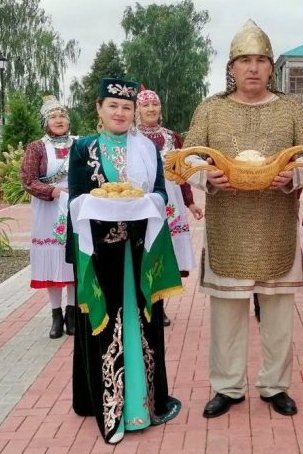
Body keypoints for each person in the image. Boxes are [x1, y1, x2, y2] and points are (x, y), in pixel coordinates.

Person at [182, 19, 303, 419]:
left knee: (278, 316)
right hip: (228, 227)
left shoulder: (290, 109)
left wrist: (294, 175)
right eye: (244, 60)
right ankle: (227, 386)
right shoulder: (211, 108)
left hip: (276, 226)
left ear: (271, 67)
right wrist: (206, 176)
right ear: (232, 67)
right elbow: (187, 157)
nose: (253, 68)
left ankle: (275, 386)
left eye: (260, 60)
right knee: (226, 315)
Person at [67, 78, 181, 443]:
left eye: (126, 107)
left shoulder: (147, 148)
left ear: (134, 112)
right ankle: (111, 408)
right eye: (112, 106)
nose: (120, 113)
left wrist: (147, 203)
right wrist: (100, 205)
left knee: (142, 322)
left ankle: (145, 403)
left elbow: (160, 192)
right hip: (102, 253)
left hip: (140, 251)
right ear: (99, 109)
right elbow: (75, 198)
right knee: (105, 324)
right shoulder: (82, 148)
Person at [135, 89, 204, 327]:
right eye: (146, 105)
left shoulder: (172, 137)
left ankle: (158, 306)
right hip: (143, 202)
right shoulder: (130, 137)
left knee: (164, 253)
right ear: (138, 110)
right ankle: (142, 305)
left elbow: (183, 172)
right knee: (144, 252)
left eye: (155, 104)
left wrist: (190, 202)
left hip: (171, 203)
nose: (151, 109)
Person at [21, 95, 76, 339]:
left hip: (74, 206)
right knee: (53, 262)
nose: (59, 120)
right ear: (46, 122)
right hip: (48, 209)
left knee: (72, 260)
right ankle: (56, 315)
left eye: (62, 115)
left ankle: (72, 313)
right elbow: (28, 179)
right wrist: (52, 191)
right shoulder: (36, 147)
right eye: (53, 117)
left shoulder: (79, 144)